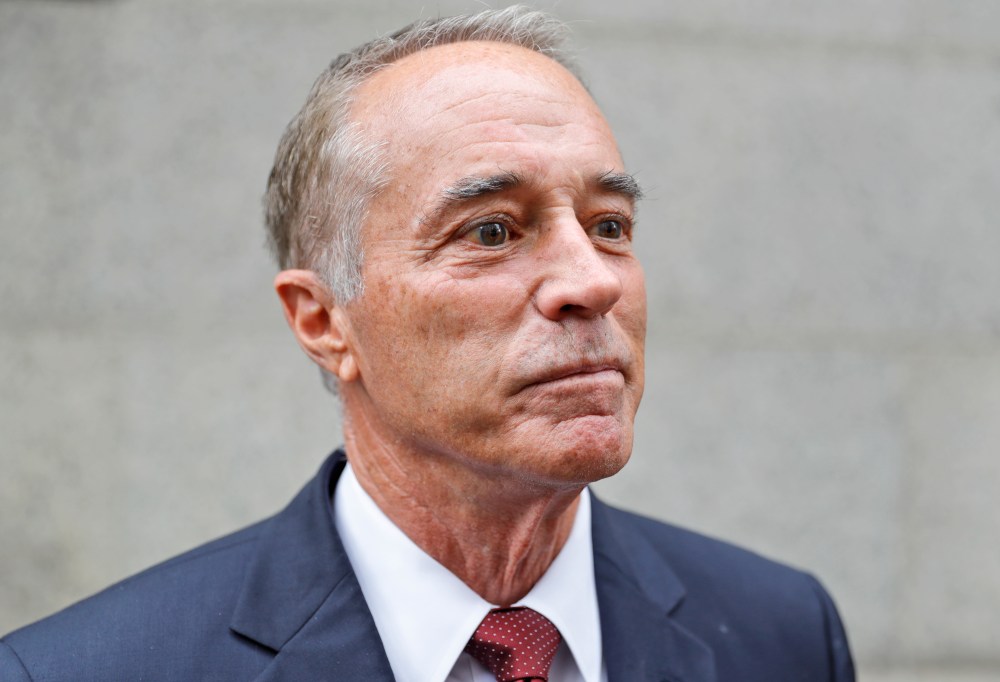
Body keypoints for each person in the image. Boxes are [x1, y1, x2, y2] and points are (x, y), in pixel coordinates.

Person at [0, 6, 855, 681]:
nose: (590, 281)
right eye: (490, 231)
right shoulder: (89, 669)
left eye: (609, 224)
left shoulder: (780, 634)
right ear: (324, 321)